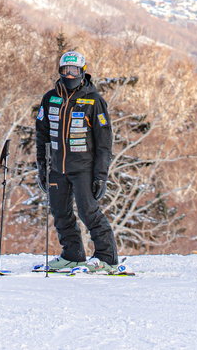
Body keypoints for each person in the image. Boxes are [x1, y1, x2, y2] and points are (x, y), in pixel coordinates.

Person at [34, 50, 122, 274]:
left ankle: (107, 257)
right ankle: (72, 255)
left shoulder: (93, 100)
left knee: (88, 212)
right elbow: (42, 134)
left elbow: (104, 142)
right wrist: (42, 167)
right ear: (60, 71)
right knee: (60, 212)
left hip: (84, 169)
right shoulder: (50, 98)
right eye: (65, 70)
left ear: (83, 72)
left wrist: (101, 175)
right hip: (57, 168)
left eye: (74, 70)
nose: (69, 74)